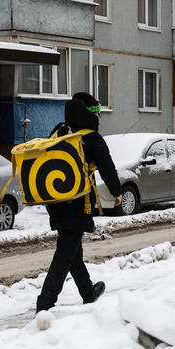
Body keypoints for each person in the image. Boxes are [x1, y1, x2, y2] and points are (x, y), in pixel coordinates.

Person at [36, 92, 122, 313]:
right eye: (96, 112)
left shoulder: (59, 132)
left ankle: (87, 291)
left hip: (56, 201)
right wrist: (116, 191)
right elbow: (107, 166)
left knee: (72, 248)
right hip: (78, 203)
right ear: (90, 114)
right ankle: (45, 303)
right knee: (66, 252)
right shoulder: (91, 137)